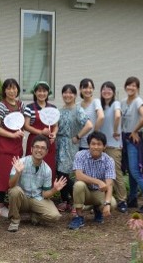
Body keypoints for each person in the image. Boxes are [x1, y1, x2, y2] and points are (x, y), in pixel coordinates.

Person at [7, 135, 66, 232]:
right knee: (15, 191)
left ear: (46, 152)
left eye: (43, 148)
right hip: (22, 198)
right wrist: (18, 173)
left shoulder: (47, 170)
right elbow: (11, 185)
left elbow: (45, 194)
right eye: (37, 147)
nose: (39, 150)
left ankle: (36, 215)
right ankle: (15, 220)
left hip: (37, 198)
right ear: (31, 149)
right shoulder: (20, 163)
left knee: (55, 216)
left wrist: (54, 189)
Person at [55, 84, 93, 212]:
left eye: (71, 93)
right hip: (58, 144)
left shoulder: (78, 109)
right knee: (59, 173)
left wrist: (78, 136)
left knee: (65, 173)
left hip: (70, 145)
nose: (68, 95)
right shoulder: (59, 111)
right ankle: (65, 200)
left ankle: (79, 200)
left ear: (75, 95)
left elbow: (89, 125)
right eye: (65, 92)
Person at [68, 131, 116, 230]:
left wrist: (107, 204)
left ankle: (98, 209)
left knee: (112, 203)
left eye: (99, 144)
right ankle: (79, 216)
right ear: (88, 145)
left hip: (99, 193)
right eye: (93, 144)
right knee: (79, 185)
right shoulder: (80, 155)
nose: (96, 147)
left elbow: (109, 184)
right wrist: (98, 181)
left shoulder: (109, 161)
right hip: (84, 192)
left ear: (104, 146)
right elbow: (78, 175)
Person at [0, 78, 25, 216]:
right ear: (4, 90)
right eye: (9, 88)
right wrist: (11, 135)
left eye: (14, 88)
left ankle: (11, 202)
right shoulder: (1, 106)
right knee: (2, 173)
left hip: (17, 145)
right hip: (4, 145)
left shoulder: (21, 105)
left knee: (14, 173)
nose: (12, 91)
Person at [121, 76, 143, 213]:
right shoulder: (122, 102)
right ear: (125, 87)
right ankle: (133, 198)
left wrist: (134, 131)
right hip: (124, 138)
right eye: (128, 85)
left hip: (133, 138)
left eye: (134, 86)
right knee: (130, 170)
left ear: (137, 88)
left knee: (135, 171)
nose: (131, 88)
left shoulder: (138, 101)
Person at [99, 81, 128, 213]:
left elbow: (117, 116)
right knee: (100, 173)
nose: (106, 91)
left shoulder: (116, 104)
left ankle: (122, 200)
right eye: (104, 89)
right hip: (100, 145)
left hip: (113, 145)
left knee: (116, 173)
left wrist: (116, 131)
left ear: (113, 92)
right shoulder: (100, 106)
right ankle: (102, 200)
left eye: (109, 89)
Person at [23, 81, 58, 180]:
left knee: (49, 166)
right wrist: (41, 132)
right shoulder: (29, 108)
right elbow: (26, 126)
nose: (42, 93)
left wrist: (54, 134)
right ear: (35, 92)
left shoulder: (53, 108)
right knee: (31, 166)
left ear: (48, 93)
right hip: (34, 140)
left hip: (49, 142)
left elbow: (55, 126)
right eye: (39, 91)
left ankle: (46, 192)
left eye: (44, 91)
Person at [78, 78, 104, 150]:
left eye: (90, 88)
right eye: (85, 88)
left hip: (93, 145)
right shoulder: (78, 105)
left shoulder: (96, 102)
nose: (88, 90)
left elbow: (101, 117)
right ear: (80, 89)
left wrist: (94, 134)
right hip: (79, 143)